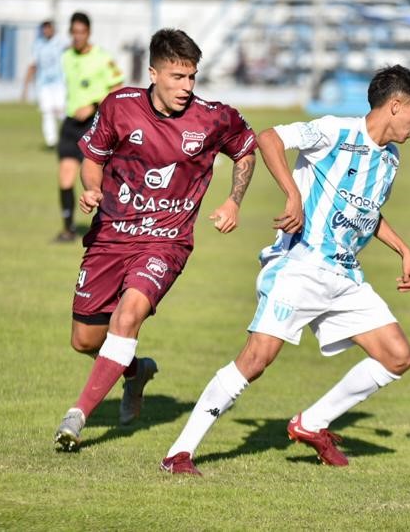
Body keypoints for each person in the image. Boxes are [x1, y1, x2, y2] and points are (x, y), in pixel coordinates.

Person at [160, 65, 410, 475]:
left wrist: (403, 249)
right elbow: (269, 138)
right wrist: (293, 195)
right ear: (395, 106)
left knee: (397, 356)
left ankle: (312, 423)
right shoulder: (336, 131)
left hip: (345, 276)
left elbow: (366, 212)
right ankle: (180, 452)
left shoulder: (390, 159)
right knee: (255, 360)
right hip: (300, 266)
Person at [53, 28, 258, 451]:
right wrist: (90, 188)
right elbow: (93, 156)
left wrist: (234, 200)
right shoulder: (120, 106)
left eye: (192, 77)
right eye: (176, 77)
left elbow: (246, 147)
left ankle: (77, 417)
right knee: (85, 340)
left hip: (166, 241)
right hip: (111, 236)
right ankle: (134, 371)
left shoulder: (212, 117)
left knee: (126, 318)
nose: (186, 87)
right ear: (153, 73)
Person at [54, 12, 124, 243]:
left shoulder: (102, 58)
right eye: (74, 32)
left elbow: (117, 90)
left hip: (93, 125)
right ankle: (68, 229)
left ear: (89, 33)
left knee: (96, 180)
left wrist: (94, 105)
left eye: (81, 32)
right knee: (65, 176)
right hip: (71, 124)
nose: (77, 37)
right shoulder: (66, 57)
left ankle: (107, 228)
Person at [20, 20, 67, 148]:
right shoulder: (38, 44)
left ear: (53, 29)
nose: (46, 31)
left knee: (62, 112)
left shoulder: (62, 43)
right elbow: (33, 65)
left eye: (48, 28)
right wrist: (25, 87)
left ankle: (67, 138)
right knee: (47, 112)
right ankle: (51, 142)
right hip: (44, 84)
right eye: (44, 29)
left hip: (60, 83)